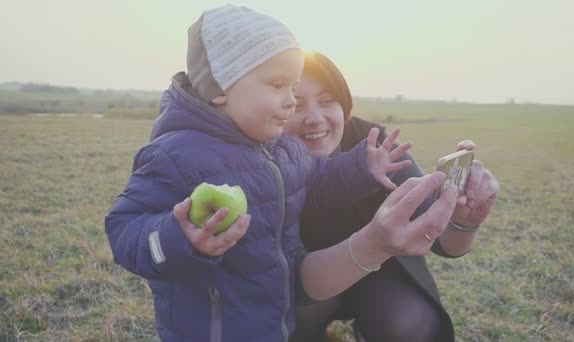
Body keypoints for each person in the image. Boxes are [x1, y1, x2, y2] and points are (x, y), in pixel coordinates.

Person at [104, 5, 451, 342]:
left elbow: (318, 176)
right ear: (222, 88)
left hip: (271, 322)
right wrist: (178, 238)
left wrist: (361, 166)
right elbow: (124, 230)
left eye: (293, 87)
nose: (291, 100)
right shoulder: (175, 154)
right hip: (209, 330)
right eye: (278, 85)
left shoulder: (279, 148)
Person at [285, 51, 500, 342]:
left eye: (327, 101)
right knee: (287, 324)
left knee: (409, 324)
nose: (314, 118)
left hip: (380, 270)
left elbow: (442, 243)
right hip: (299, 277)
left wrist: (464, 220)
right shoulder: (260, 161)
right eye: (296, 104)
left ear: (345, 105)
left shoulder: (376, 146)